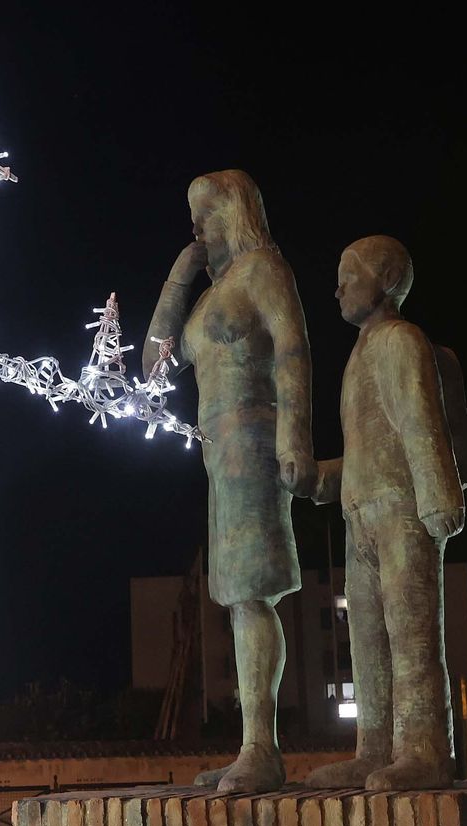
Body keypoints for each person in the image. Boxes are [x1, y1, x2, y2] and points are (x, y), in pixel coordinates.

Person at [142, 170, 315, 792]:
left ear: (236, 214)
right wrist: (179, 275)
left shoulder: (265, 271)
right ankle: (252, 744)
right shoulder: (210, 297)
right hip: (217, 450)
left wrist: (295, 437)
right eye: (192, 215)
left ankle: (261, 748)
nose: (197, 226)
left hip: (255, 438)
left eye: (208, 213)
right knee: (238, 595)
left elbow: (293, 352)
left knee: (252, 592)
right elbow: (154, 363)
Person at [305, 235, 467, 791]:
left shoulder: (403, 341)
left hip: (402, 510)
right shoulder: (359, 356)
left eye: (348, 276)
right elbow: (368, 447)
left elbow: (419, 422)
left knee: (411, 635)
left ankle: (424, 748)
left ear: (384, 280)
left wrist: (439, 495)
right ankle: (374, 748)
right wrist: (319, 478)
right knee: (368, 643)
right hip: (361, 516)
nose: (338, 289)